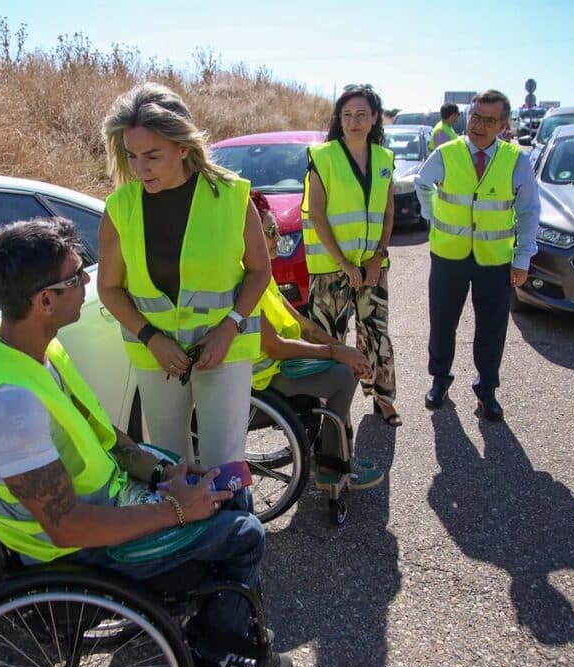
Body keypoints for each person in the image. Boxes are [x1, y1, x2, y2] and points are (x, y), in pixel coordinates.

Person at [0, 217, 291, 667]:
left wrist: (160, 474)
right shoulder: (9, 406)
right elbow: (66, 529)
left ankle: (220, 636)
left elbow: (104, 435)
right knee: (245, 533)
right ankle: (217, 658)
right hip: (73, 551)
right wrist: (178, 512)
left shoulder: (36, 354)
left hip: (112, 502)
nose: (88, 280)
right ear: (44, 300)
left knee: (232, 487)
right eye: (75, 277)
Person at [97, 82, 271, 483]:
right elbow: (109, 288)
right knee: (169, 463)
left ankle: (229, 542)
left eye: (153, 155)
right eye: (132, 156)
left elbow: (260, 271)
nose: (141, 169)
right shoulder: (120, 208)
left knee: (223, 464)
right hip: (157, 357)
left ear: (183, 148)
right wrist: (151, 338)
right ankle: (186, 544)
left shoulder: (231, 196)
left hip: (223, 350)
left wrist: (229, 328)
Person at [414, 89, 541, 422]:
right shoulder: (446, 152)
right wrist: (432, 217)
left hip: (495, 259)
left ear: (502, 124)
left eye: (489, 119)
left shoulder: (517, 160)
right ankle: (439, 380)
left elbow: (529, 212)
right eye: (476, 116)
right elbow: (421, 183)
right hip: (448, 256)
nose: (479, 125)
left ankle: (487, 388)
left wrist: (522, 259)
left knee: (492, 328)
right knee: (443, 322)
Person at [250, 191, 384, 489]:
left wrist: (343, 349)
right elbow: (274, 346)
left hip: (281, 365)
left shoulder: (263, 276)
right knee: (341, 377)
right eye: (270, 232)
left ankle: (332, 454)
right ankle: (331, 465)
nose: (277, 239)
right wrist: (336, 356)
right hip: (262, 378)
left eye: (277, 231)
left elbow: (305, 327)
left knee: (344, 367)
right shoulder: (243, 281)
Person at [302, 84, 401, 427]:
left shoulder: (385, 158)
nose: (353, 121)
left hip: (373, 265)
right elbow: (316, 214)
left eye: (361, 114)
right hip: (331, 266)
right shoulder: (323, 155)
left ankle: (383, 398)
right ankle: (326, 408)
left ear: (375, 118)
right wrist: (344, 264)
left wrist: (377, 258)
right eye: (346, 115)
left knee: (376, 331)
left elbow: (389, 214)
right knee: (327, 337)